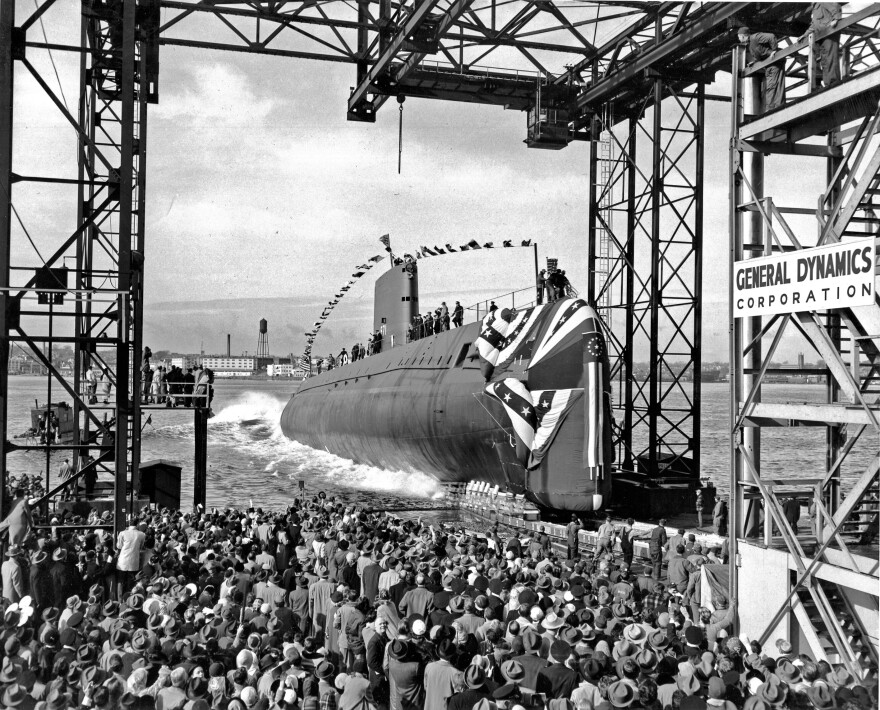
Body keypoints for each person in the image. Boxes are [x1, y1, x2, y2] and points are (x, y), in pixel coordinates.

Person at [738, 26, 785, 111]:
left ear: (743, 36)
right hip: (769, 65)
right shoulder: (750, 45)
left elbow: (771, 36)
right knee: (773, 85)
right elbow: (760, 53)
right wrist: (755, 61)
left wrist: (774, 50)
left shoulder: (755, 37)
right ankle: (775, 107)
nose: (739, 39)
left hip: (774, 62)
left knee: (772, 85)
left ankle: (773, 108)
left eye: (739, 37)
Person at [805, 3, 843, 88]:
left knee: (830, 58)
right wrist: (804, 35)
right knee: (825, 60)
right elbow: (814, 25)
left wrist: (836, 19)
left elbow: (836, 6)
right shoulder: (815, 8)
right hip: (822, 37)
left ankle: (833, 82)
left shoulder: (822, 2)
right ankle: (828, 83)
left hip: (830, 34)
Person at [115, 517, 145, 601]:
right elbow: (141, 547)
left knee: (120, 582)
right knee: (130, 582)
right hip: (133, 562)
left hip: (122, 562)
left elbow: (119, 546)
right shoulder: (142, 534)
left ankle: (120, 601)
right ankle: (130, 600)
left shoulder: (122, 533)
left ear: (129, 524)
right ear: (137, 524)